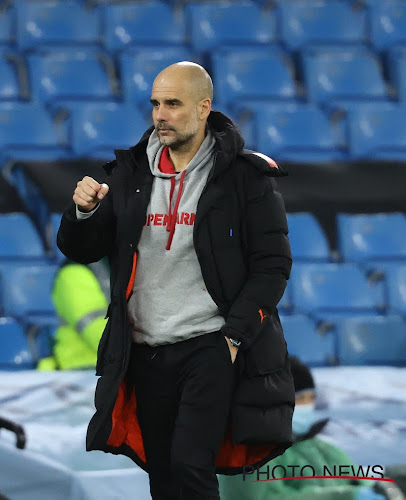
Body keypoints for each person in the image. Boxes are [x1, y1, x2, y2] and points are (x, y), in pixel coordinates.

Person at [57, 61, 295, 499]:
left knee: (189, 465)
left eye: (173, 104)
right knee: (162, 473)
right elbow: (81, 250)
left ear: (204, 107)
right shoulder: (128, 173)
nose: (160, 115)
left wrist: (234, 336)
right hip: (144, 348)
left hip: (209, 343)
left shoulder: (246, 177)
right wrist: (84, 213)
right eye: (154, 104)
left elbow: (273, 265)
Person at [219, 355, 388, 500]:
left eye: (311, 398)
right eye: (299, 399)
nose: (307, 406)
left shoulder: (321, 449)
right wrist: (345, 496)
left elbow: (356, 482)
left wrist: (379, 490)